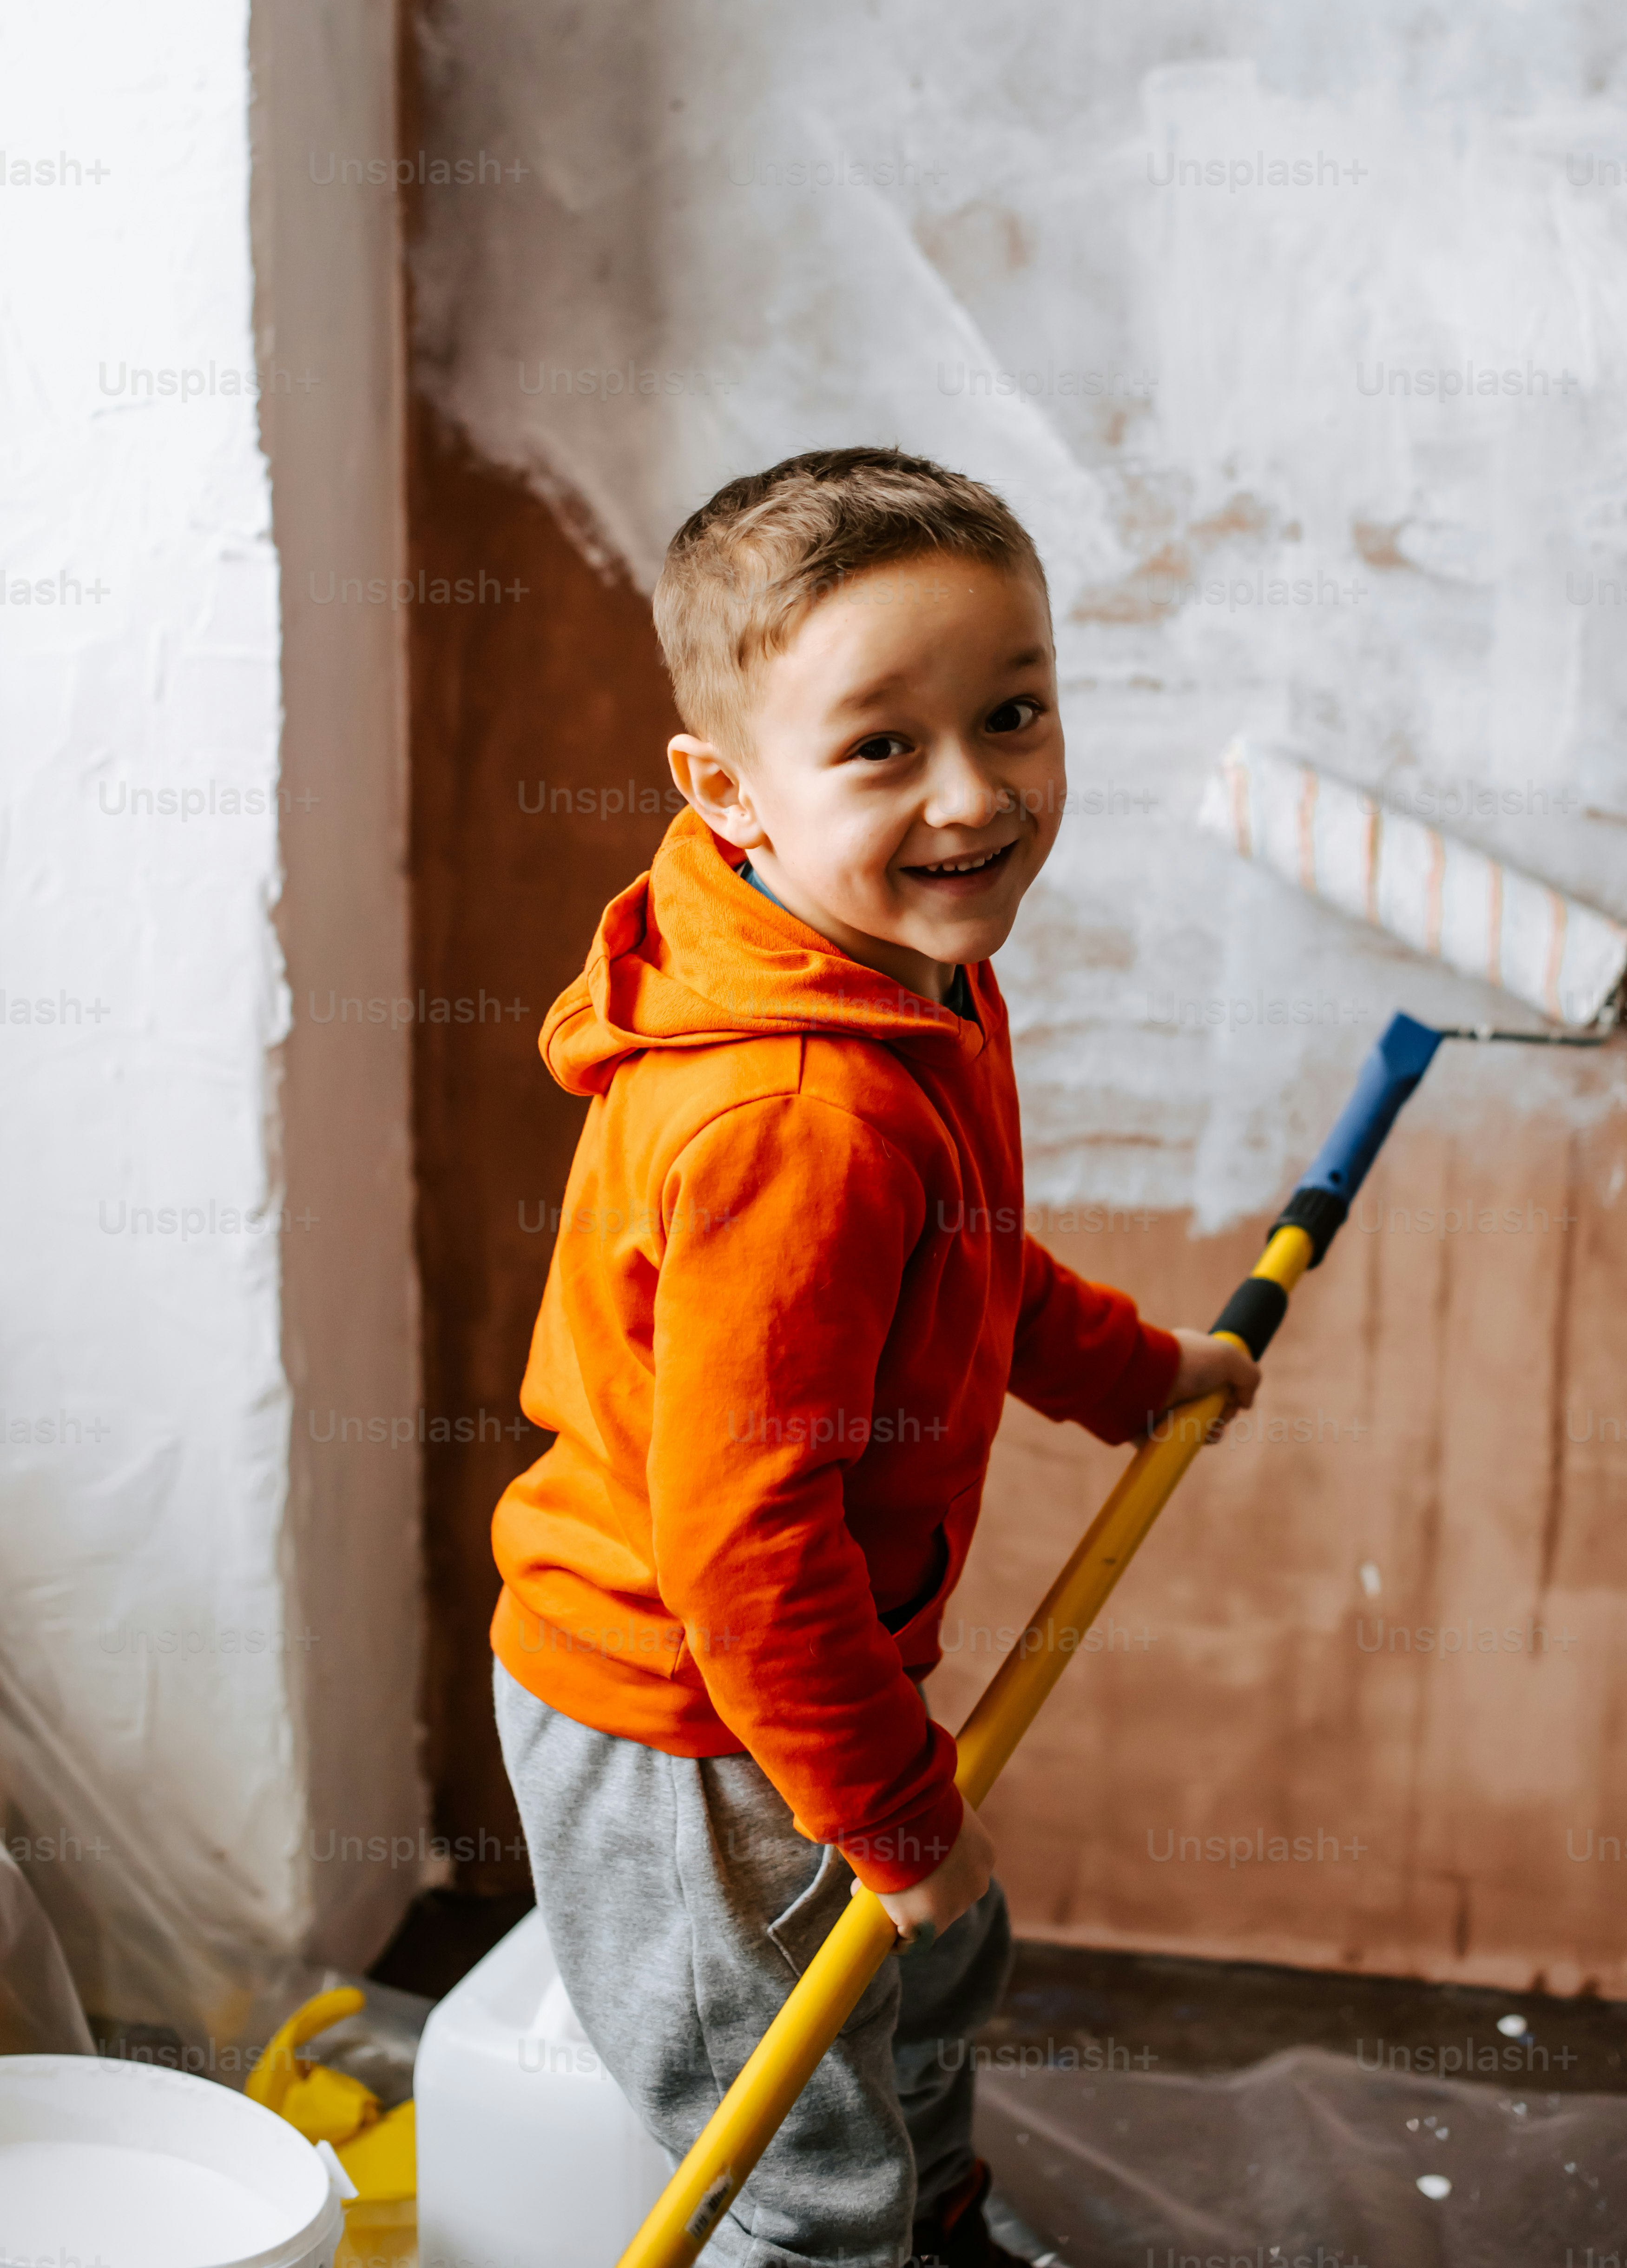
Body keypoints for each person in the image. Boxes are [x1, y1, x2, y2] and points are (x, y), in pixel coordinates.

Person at [490, 445, 1256, 2268]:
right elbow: (744, 1550)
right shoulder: (797, 1112)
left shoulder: (903, 970)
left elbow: (964, 1265)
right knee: (794, 2135)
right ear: (726, 792)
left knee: (931, 1973)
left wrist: (1134, 1372)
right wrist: (892, 1813)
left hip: (806, 1674)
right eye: (881, 746)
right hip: (684, 1713)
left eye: (1013, 712)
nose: (974, 797)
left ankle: (935, 2230)